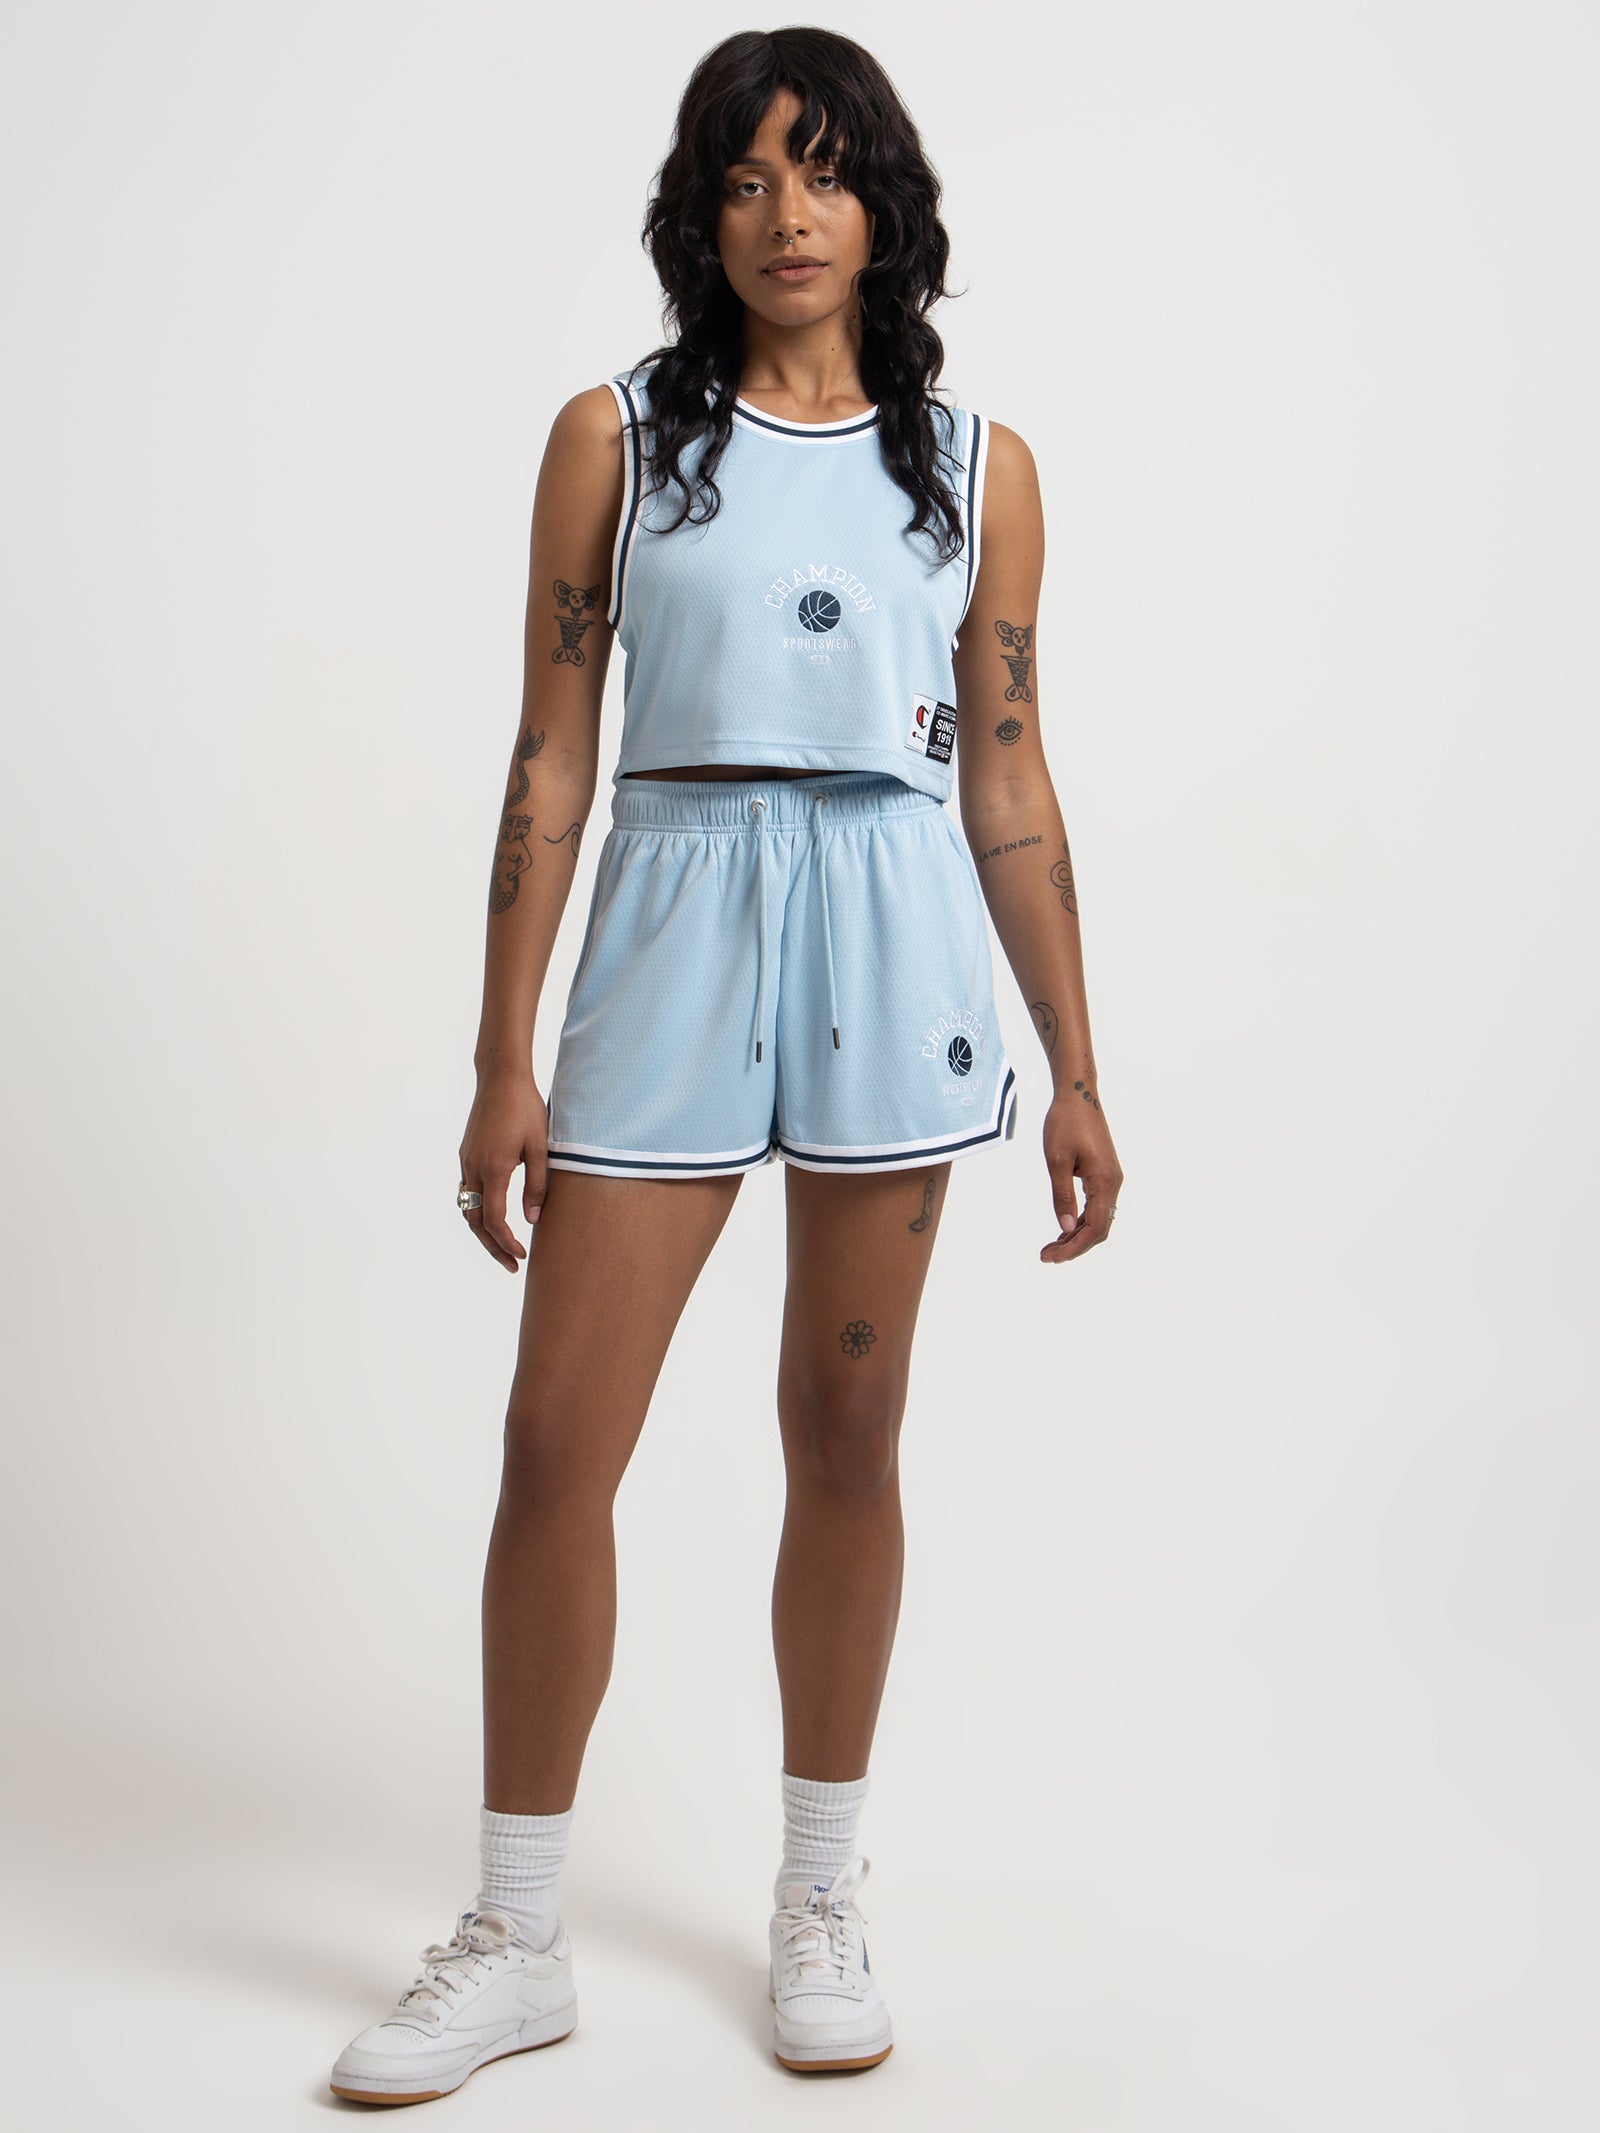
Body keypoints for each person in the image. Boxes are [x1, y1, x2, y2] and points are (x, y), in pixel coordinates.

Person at [329, 25, 1122, 2105]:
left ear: (885, 207)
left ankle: (820, 1892)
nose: (788, 214)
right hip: (672, 920)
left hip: (889, 923)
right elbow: (550, 752)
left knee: (845, 1431)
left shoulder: (976, 470)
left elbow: (1007, 776)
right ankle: (514, 1932)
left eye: (826, 170)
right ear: (702, 212)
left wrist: (1076, 1063)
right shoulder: (610, 438)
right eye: (748, 176)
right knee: (552, 1445)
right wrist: (499, 1053)